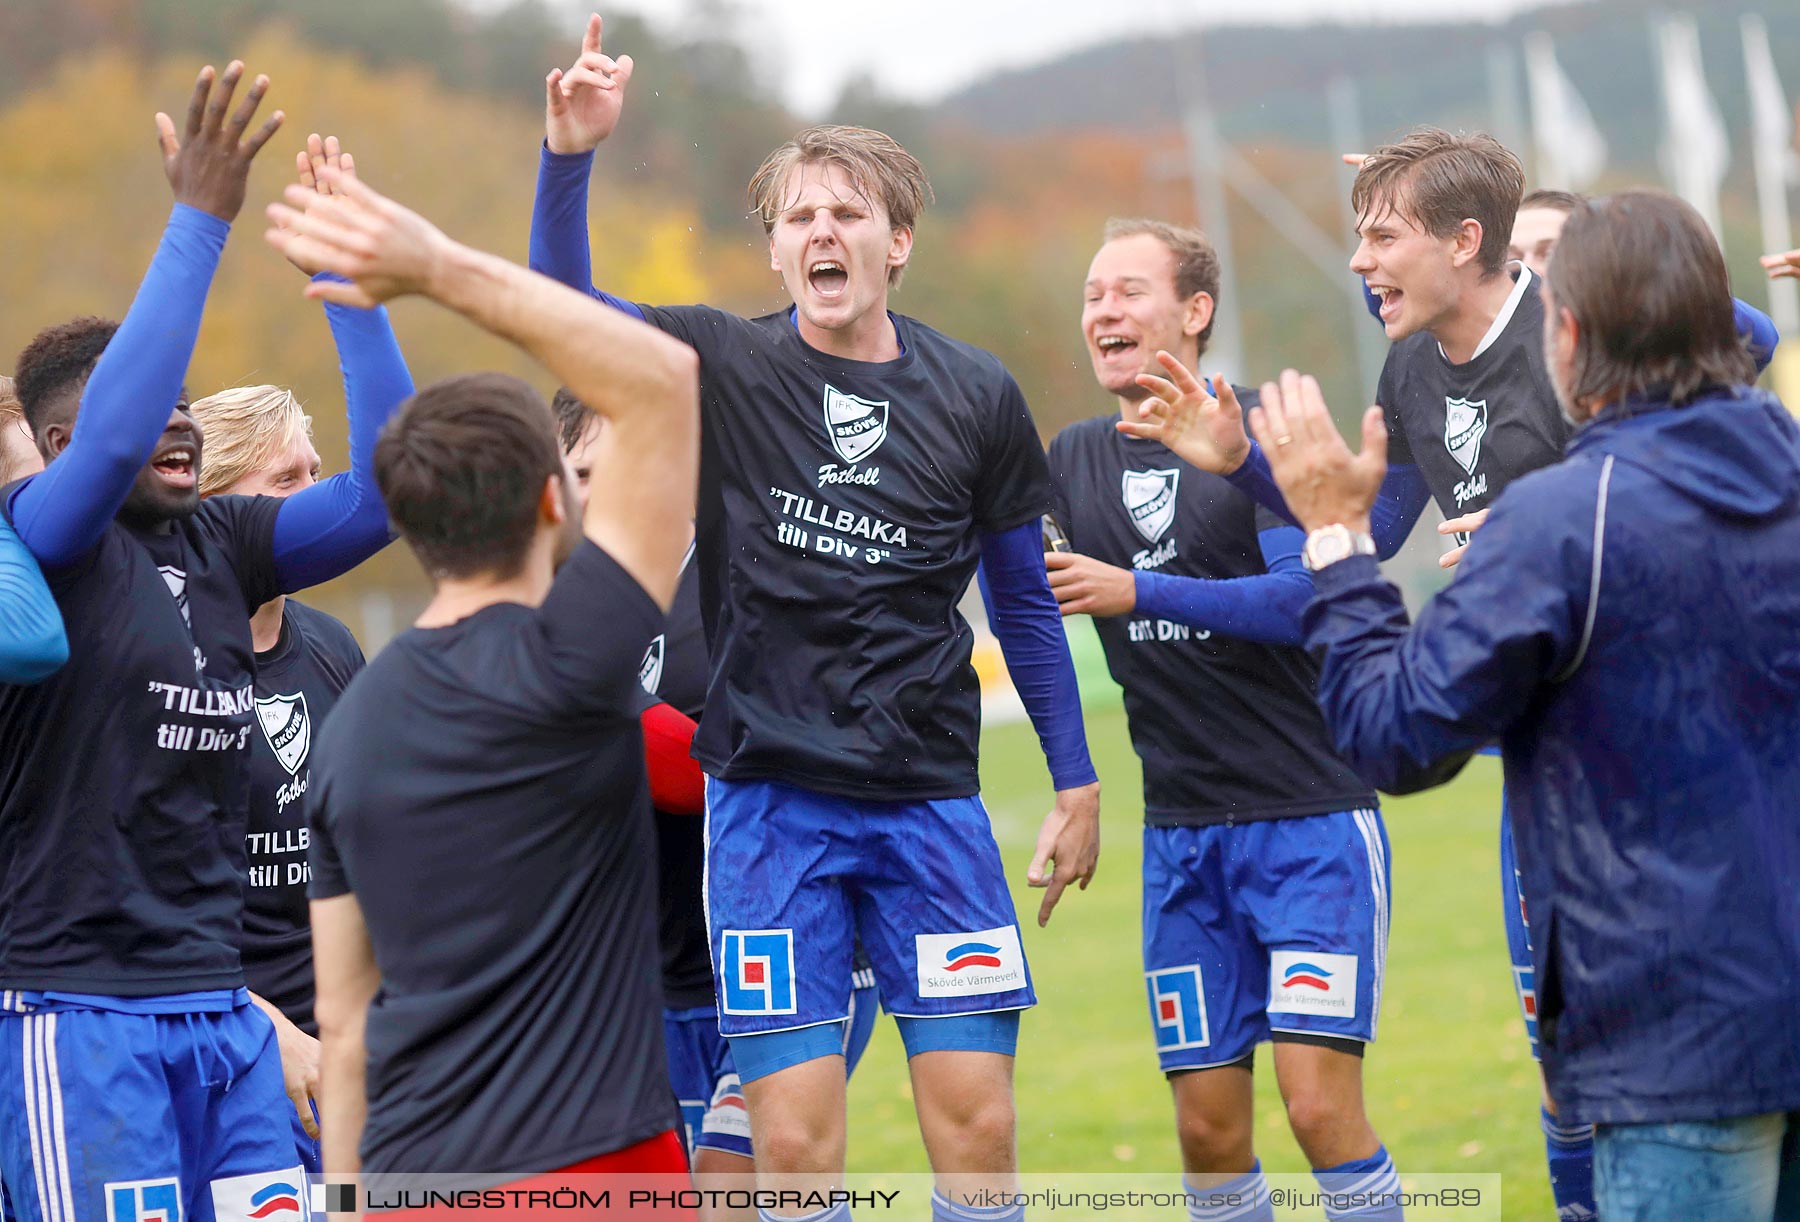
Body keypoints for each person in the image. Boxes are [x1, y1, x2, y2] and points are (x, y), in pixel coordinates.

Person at [1130, 128, 1777, 1222]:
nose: (1358, 259)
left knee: (1635, 1042)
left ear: (1467, 241)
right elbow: (1371, 534)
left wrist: (1545, 518)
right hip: (1553, 766)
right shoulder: (1411, 369)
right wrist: (1248, 463)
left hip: (1661, 754)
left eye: (1382, 233)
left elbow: (1739, 340)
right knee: (1559, 1040)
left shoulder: (1582, 328)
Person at [530, 18, 1099, 1221]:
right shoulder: (723, 362)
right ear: (778, 251)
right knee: (791, 1149)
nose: (822, 233)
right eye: (799, 217)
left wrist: (1076, 779)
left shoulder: (979, 393)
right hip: (770, 810)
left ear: (898, 241)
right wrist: (569, 156)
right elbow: (562, 303)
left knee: (981, 1128)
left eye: (847, 214)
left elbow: (1023, 605)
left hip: (929, 802)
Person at [0, 62, 403, 1221]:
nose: (180, 417)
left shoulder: (226, 543)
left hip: (215, 1009)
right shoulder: (44, 538)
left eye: (189, 400)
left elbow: (380, 498)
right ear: (66, 440)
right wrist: (200, 221)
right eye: (156, 402)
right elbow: (118, 433)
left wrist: (355, 300)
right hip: (78, 1013)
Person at [275, 167, 700, 1182]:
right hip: (601, 1170)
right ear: (557, 505)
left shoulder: (349, 721)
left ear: (411, 529)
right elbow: (665, 381)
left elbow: (343, 1026)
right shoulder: (577, 657)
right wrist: (431, 269)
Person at [1048, 217, 1397, 1222]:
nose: (1103, 309)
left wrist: (1139, 591)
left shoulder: (1262, 440)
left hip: (1310, 827)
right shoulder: (1070, 459)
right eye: (1091, 295)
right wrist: (1076, 783)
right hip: (1183, 841)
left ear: (1195, 312)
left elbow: (1303, 603)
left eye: (1128, 290)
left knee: (1318, 1107)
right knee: (1207, 1132)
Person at [553, 390, 881, 1217]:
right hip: (647, 989)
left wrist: (603, 699)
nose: (598, 493)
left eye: (615, 467)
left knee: (748, 1178)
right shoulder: (563, 611)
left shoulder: (754, 579)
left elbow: (747, 773)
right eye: (580, 472)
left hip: (792, 955)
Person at [183, 129, 405, 1178]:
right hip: (212, 1037)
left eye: (318, 471)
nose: (312, 499)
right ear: (212, 502)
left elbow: (369, 852)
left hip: (352, 1046)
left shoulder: (327, 646)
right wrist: (267, 1027)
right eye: (284, 481)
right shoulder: (155, 653)